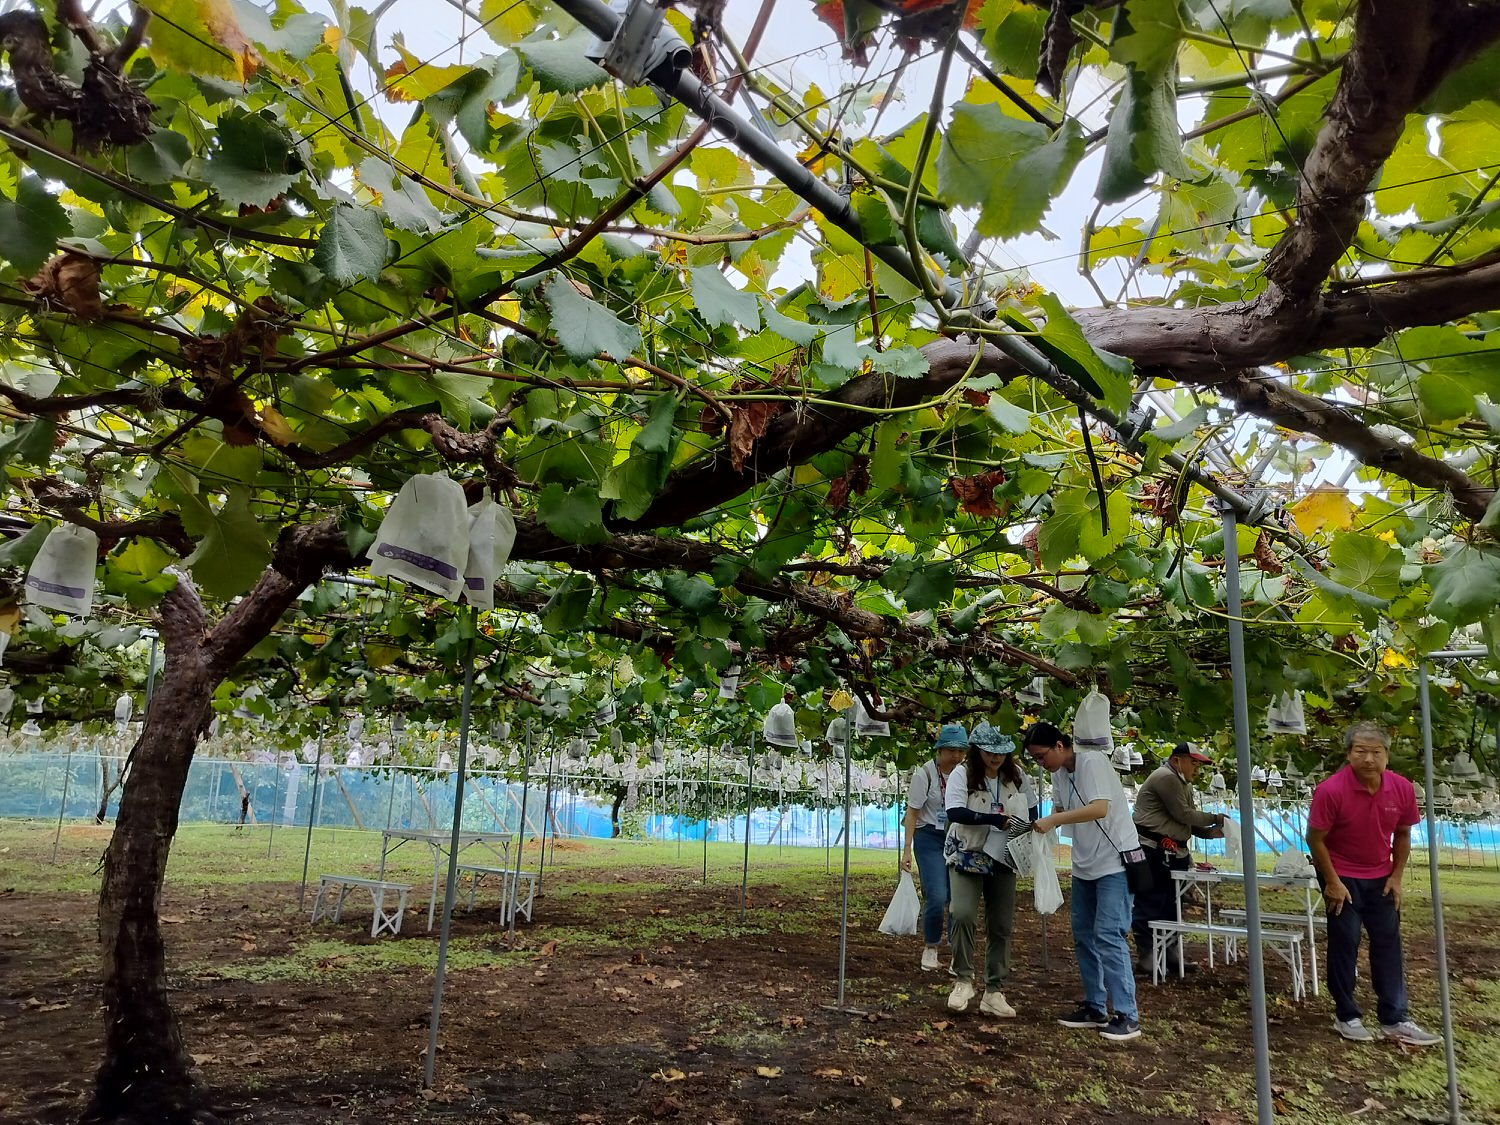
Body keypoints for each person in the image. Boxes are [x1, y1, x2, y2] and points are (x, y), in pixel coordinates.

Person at [1308, 722, 1442, 1046]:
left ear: (1386, 755)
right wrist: (1332, 882)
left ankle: (1395, 1018)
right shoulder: (1331, 790)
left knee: (1388, 943)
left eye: (1376, 752)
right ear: (1348, 754)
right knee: (1346, 940)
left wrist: (1396, 876)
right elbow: (1315, 839)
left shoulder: (1401, 789)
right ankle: (1347, 1014)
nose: (1369, 758)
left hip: (1381, 874)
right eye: (1361, 751)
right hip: (1341, 874)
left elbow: (1404, 834)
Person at [1026, 720, 1143, 1042]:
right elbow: (1063, 807)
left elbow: (1099, 808)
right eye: (1035, 759)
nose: (1041, 763)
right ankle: (1094, 1006)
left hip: (1114, 863)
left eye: (1041, 756)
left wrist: (1053, 820)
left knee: (1108, 934)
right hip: (1085, 865)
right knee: (1083, 935)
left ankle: (1127, 1014)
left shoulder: (1092, 761)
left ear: (1060, 746)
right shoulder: (1059, 773)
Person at [941, 722, 1034, 1016]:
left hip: (1004, 856)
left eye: (1001, 753)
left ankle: (994, 990)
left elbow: (1032, 810)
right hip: (968, 852)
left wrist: (1021, 823)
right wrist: (992, 819)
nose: (995, 758)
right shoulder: (963, 774)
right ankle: (963, 979)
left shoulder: (1017, 777)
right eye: (989, 752)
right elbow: (954, 811)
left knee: (1001, 924)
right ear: (977, 750)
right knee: (962, 913)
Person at [1130, 742, 1227, 972]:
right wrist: (1215, 818)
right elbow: (1183, 814)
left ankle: (1170, 952)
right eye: (1193, 763)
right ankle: (1148, 955)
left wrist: (1211, 833)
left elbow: (1184, 821)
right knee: (1151, 900)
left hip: (1173, 851)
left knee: (1173, 902)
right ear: (1177, 761)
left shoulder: (1182, 782)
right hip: (1153, 850)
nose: (1196, 769)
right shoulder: (1166, 778)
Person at [901, 722, 969, 971]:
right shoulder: (925, 774)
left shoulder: (967, 774)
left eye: (961, 750)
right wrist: (907, 849)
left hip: (957, 836)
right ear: (939, 750)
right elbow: (912, 813)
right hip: (929, 837)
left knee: (957, 897)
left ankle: (956, 951)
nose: (957, 755)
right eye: (951, 750)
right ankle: (930, 947)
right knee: (937, 894)